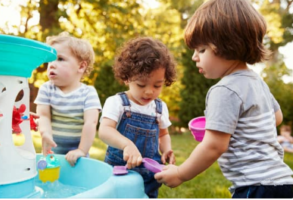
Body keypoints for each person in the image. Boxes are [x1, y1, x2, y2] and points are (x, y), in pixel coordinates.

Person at [154, 0, 293, 198]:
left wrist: (180, 173)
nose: (195, 57)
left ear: (229, 45)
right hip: (282, 182)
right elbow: (276, 118)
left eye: (201, 50)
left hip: (256, 187)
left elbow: (214, 146)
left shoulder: (224, 89)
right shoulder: (257, 81)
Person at [98, 37, 177, 198]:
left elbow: (163, 134)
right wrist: (127, 145)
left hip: (149, 175)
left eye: (157, 85)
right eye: (141, 85)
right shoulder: (117, 103)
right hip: (120, 172)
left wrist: (166, 149)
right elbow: (105, 131)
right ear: (127, 78)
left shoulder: (159, 108)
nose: (149, 92)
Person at [35, 32, 102, 167]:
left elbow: (91, 122)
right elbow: (43, 116)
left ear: (81, 66)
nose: (52, 65)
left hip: (77, 156)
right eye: (50, 60)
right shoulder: (47, 89)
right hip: (51, 152)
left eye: (60, 59)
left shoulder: (88, 93)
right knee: (50, 182)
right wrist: (45, 133)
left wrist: (81, 150)